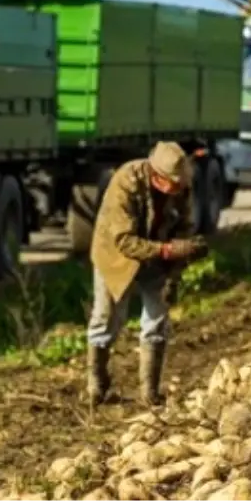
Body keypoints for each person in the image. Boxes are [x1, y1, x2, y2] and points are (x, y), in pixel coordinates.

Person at [86, 141, 209, 407]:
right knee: (105, 319)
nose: (179, 188)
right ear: (158, 177)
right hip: (117, 256)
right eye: (173, 183)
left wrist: (176, 271)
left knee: (156, 321)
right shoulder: (125, 181)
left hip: (158, 259)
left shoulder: (183, 187)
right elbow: (124, 241)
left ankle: (149, 393)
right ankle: (96, 385)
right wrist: (167, 250)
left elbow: (184, 231)